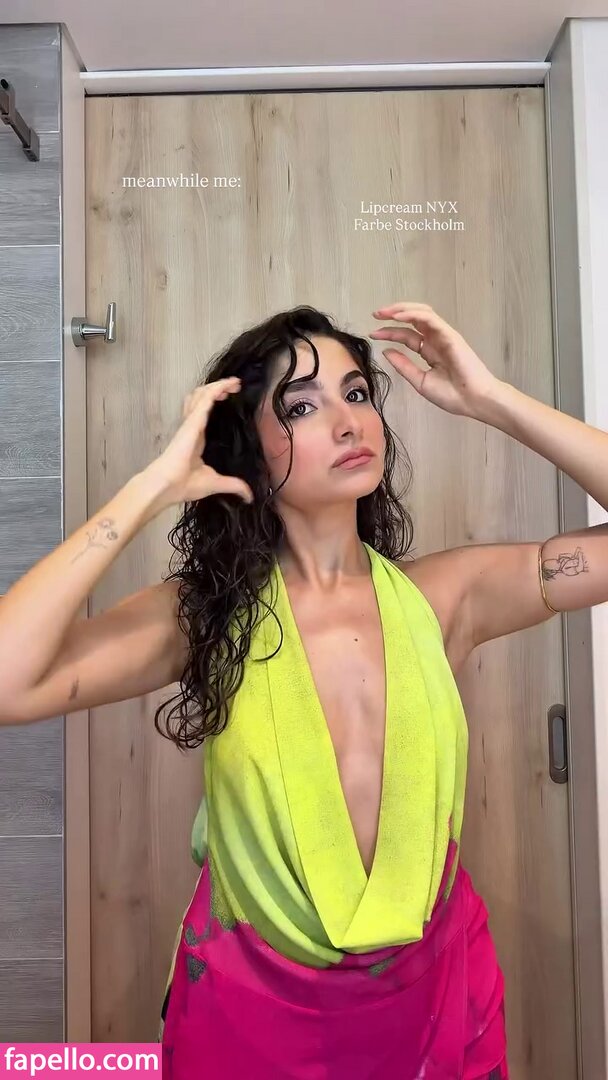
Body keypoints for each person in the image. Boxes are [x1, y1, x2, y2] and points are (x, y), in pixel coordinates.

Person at [7, 298, 605, 1077]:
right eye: (302, 406)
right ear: (250, 451)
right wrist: (150, 488)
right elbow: (10, 681)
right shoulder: (205, 618)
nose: (349, 422)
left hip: (437, 1008)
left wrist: (492, 398)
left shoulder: (444, 598)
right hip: (255, 1019)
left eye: (357, 394)